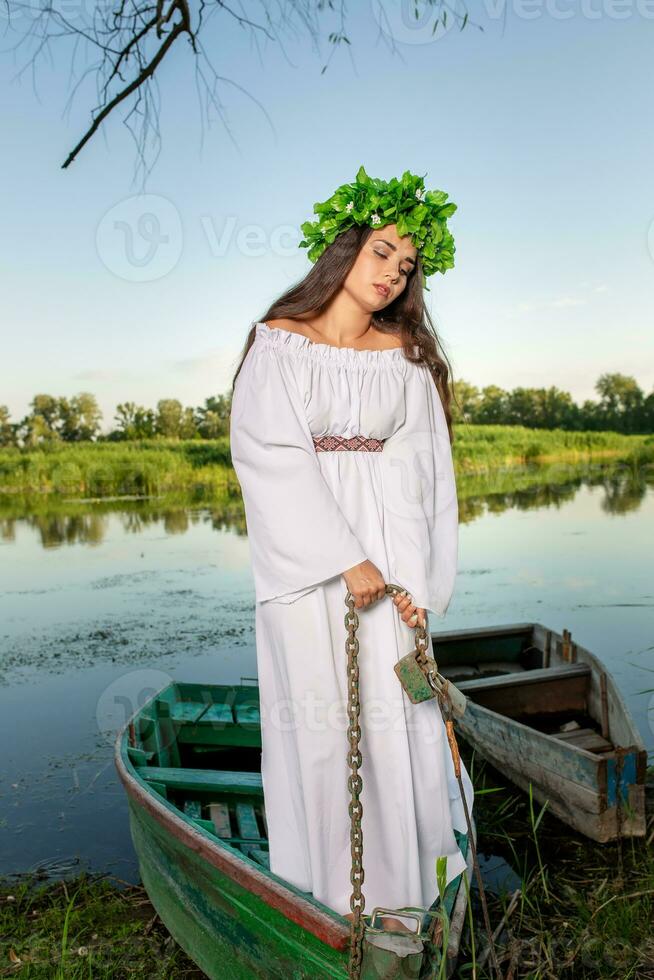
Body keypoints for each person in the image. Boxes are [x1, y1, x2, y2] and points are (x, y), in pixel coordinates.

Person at [229, 165, 474, 935]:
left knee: (394, 723)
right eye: (381, 254)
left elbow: (423, 471)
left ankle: (405, 895)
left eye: (406, 268)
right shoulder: (278, 345)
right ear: (345, 250)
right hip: (311, 576)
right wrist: (345, 558)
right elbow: (270, 455)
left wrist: (413, 583)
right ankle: (329, 902)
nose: (391, 276)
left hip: (388, 567)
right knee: (324, 728)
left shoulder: (402, 356)